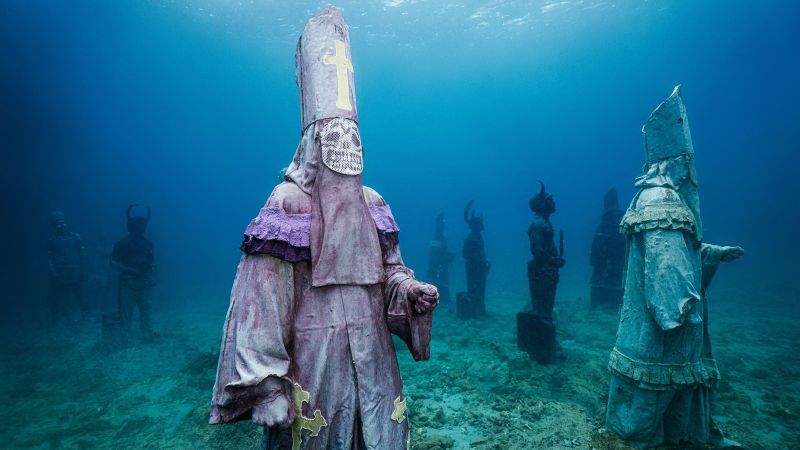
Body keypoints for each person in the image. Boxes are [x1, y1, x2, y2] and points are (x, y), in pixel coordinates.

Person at [209, 8, 438, 450]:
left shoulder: (374, 205)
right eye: (334, 134)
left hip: (375, 364)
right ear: (313, 141)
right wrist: (269, 386)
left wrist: (408, 290)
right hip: (312, 368)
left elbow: (389, 271)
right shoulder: (287, 206)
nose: (345, 145)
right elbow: (260, 304)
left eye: (352, 136)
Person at [605, 86, 744, 448]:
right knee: (655, 399)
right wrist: (678, 309)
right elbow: (664, 266)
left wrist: (711, 253)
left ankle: (690, 438)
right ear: (679, 161)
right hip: (667, 329)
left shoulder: (659, 198)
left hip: (671, 327)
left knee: (674, 393)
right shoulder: (662, 198)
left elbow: (679, 250)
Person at [517, 182, 565, 364]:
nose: (554, 201)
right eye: (550, 199)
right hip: (542, 272)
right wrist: (555, 261)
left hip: (547, 271)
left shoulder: (544, 222)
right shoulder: (538, 224)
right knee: (543, 311)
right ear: (543, 204)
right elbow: (537, 251)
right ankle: (541, 353)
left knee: (546, 310)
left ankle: (544, 349)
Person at [110, 204, 156, 341]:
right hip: (128, 281)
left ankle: (146, 333)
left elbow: (153, 260)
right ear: (130, 225)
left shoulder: (149, 243)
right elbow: (113, 262)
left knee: (146, 309)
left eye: (143, 224)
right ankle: (125, 335)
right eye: (137, 224)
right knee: (125, 311)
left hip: (144, 281)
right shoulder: (122, 243)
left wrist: (151, 267)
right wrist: (130, 270)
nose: (141, 227)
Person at [47, 211, 86, 324]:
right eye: (58, 223)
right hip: (60, 272)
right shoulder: (52, 240)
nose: (61, 225)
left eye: (63, 222)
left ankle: (84, 314)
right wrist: (53, 271)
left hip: (75, 270)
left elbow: (82, 253)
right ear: (54, 225)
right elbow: (50, 258)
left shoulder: (76, 237)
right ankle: (56, 318)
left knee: (79, 294)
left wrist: (83, 269)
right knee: (57, 296)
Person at [589, 188, 625, 308]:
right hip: (613, 263)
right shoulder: (617, 225)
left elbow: (596, 249)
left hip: (610, 263)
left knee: (604, 279)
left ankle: (601, 300)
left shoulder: (603, 227)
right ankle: (605, 300)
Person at [457, 200, 489, 318]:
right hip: (473, 269)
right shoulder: (470, 238)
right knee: (474, 288)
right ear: (476, 225)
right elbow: (465, 254)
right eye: (480, 222)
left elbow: (480, 253)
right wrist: (478, 261)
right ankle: (475, 311)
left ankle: (479, 309)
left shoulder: (478, 237)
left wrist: (484, 262)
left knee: (481, 289)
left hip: (479, 268)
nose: (483, 224)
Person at [427, 213, 454, 304]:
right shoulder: (438, 236)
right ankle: (442, 300)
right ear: (439, 225)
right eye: (442, 224)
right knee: (441, 282)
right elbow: (435, 254)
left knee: (441, 281)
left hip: (440, 265)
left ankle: (442, 300)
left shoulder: (440, 236)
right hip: (439, 266)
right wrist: (445, 259)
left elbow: (437, 252)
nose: (443, 226)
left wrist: (447, 256)